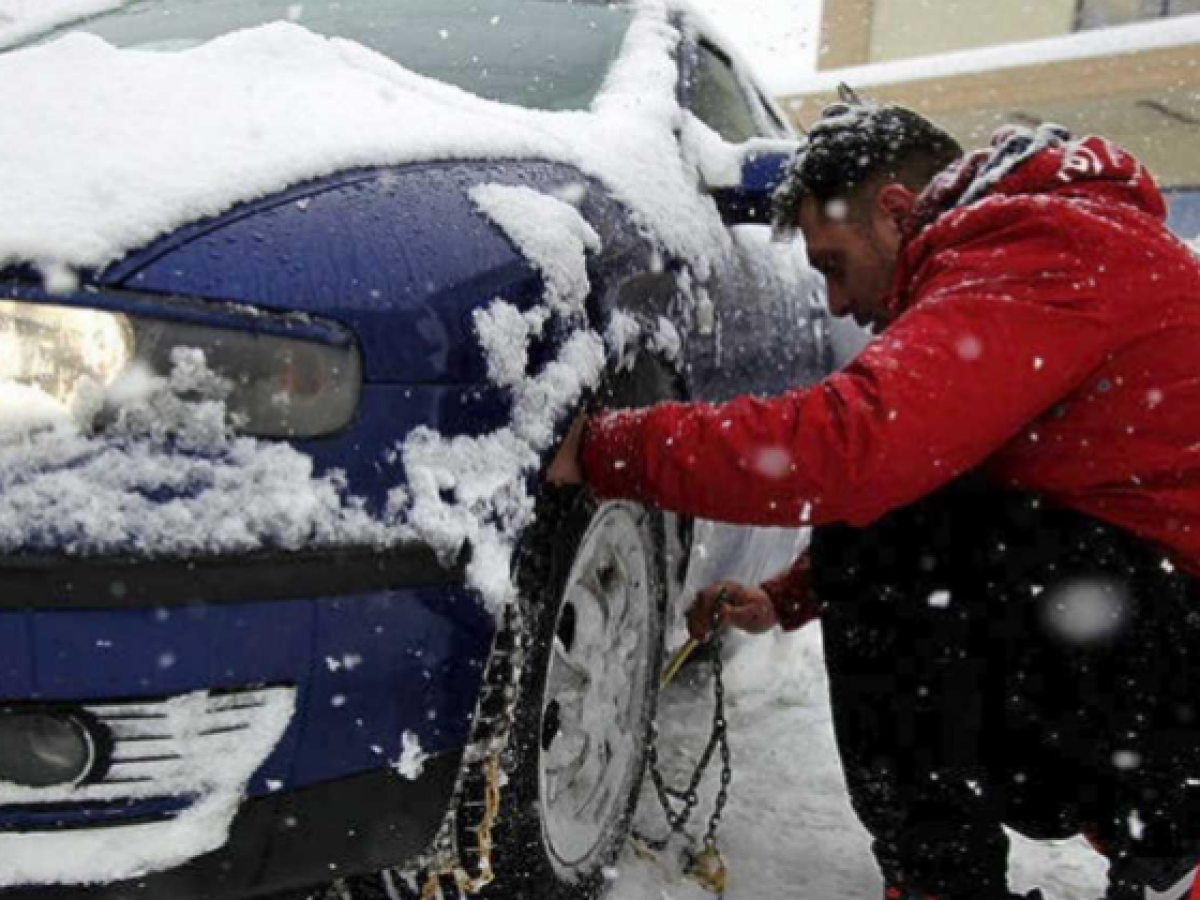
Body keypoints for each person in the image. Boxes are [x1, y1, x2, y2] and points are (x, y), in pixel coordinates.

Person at [547, 88, 1200, 900]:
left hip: (1169, 655)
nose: (835, 303)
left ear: (896, 210)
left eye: (833, 265)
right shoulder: (1050, 241)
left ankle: (1146, 849)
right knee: (889, 518)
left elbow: (851, 452)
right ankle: (1158, 836)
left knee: (869, 520)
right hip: (1155, 643)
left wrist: (612, 445)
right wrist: (787, 599)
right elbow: (950, 481)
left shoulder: (1041, 247)